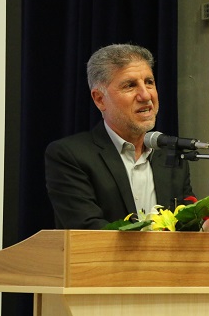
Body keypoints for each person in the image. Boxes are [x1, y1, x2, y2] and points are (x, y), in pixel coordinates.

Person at [45, 43, 195, 229]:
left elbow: (188, 225)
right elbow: (87, 229)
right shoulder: (71, 155)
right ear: (100, 99)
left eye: (149, 82)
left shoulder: (170, 154)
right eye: (130, 85)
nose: (145, 95)